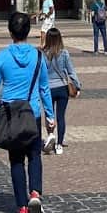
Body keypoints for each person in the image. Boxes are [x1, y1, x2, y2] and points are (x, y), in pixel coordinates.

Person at [0, 11, 55, 213]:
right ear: (28, 31)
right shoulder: (38, 56)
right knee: (34, 156)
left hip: (10, 115)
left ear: (10, 31)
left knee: (15, 161)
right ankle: (35, 194)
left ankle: (22, 208)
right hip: (32, 114)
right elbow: (44, 89)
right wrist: (50, 115)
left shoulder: (2, 57)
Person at [42, 27, 81, 155]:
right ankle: (59, 144)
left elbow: (40, 73)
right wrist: (77, 85)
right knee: (61, 117)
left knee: (49, 115)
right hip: (62, 88)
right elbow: (71, 71)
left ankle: (50, 135)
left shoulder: (43, 53)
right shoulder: (64, 53)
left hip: (48, 88)